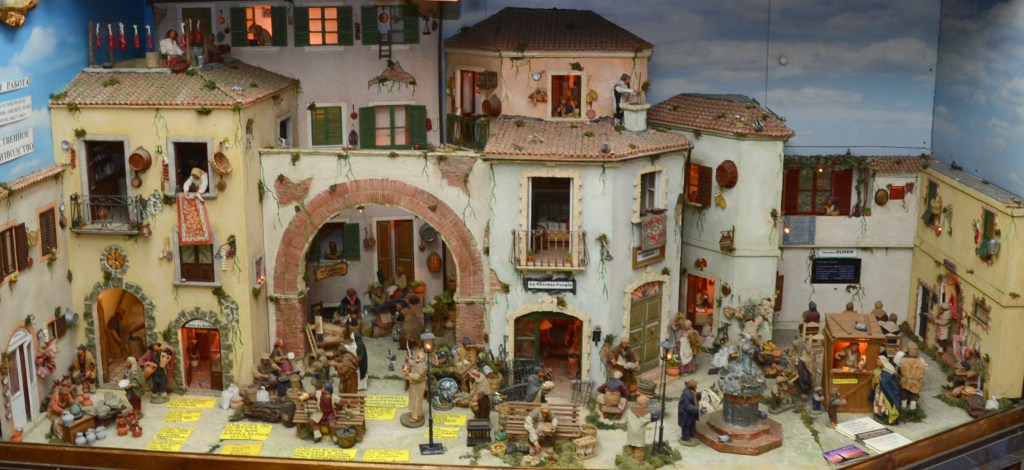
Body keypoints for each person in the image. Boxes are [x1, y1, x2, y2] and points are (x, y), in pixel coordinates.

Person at [870, 356, 901, 424]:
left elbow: (889, 379)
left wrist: (880, 381)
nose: (877, 363)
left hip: (886, 391)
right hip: (883, 389)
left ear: (882, 361)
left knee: (884, 404)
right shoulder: (886, 368)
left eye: (878, 361)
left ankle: (885, 417)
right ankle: (880, 415)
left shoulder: (887, 369)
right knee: (880, 403)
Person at [899, 344, 926, 411]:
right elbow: (922, 373)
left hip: (905, 381)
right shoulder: (922, 363)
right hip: (915, 382)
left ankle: (903, 408)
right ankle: (912, 409)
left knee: (904, 394)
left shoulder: (903, 360)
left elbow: (897, 362)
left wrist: (902, 352)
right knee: (914, 395)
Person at [403, 350, 427, 423]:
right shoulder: (418, 362)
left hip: (419, 385)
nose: (416, 357)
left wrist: (408, 374)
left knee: (417, 401)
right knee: (413, 400)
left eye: (418, 357)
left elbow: (417, 377)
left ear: (421, 358)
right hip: (414, 384)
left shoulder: (423, 366)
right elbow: (413, 363)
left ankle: (417, 416)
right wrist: (408, 359)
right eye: (416, 356)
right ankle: (414, 413)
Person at [626, 395, 652, 460]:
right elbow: (647, 420)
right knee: (639, 446)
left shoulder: (630, 410)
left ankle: (630, 452)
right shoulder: (647, 413)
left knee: (631, 442)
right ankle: (638, 457)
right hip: (639, 432)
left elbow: (627, 419)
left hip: (631, 430)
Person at [677, 379, 701, 446]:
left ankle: (692, 435)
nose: (697, 386)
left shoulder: (692, 392)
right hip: (686, 414)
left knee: (692, 424)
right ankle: (685, 438)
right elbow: (687, 406)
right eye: (696, 385)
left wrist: (700, 394)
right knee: (686, 426)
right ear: (692, 386)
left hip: (691, 413)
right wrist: (698, 409)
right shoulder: (686, 395)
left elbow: (697, 396)